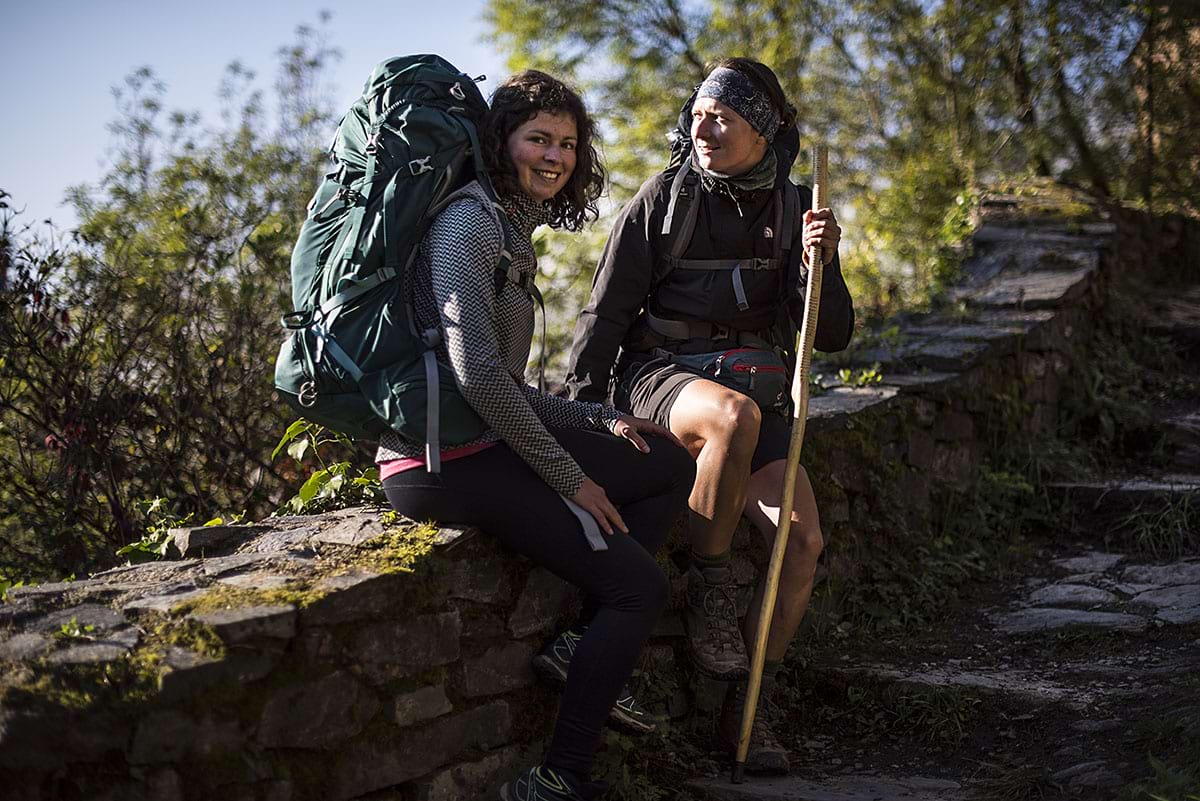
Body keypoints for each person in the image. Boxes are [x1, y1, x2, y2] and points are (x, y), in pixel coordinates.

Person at [377, 71, 695, 801]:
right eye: (538, 139)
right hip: (439, 462)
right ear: (502, 143)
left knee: (664, 460)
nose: (555, 156)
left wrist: (601, 418)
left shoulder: (509, 224)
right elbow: (479, 378)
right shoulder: (469, 224)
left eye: (568, 143)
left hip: (478, 440)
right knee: (636, 586)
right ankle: (556, 779)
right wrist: (570, 477)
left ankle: (580, 643)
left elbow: (502, 387)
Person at [564, 58, 855, 775]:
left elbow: (832, 334)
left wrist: (827, 262)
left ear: (763, 129)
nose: (703, 125)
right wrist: (578, 424)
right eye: (697, 112)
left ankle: (747, 704)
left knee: (803, 539)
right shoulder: (664, 199)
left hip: (759, 396)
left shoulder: (792, 210)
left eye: (722, 115)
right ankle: (710, 581)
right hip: (662, 379)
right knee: (730, 418)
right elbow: (604, 315)